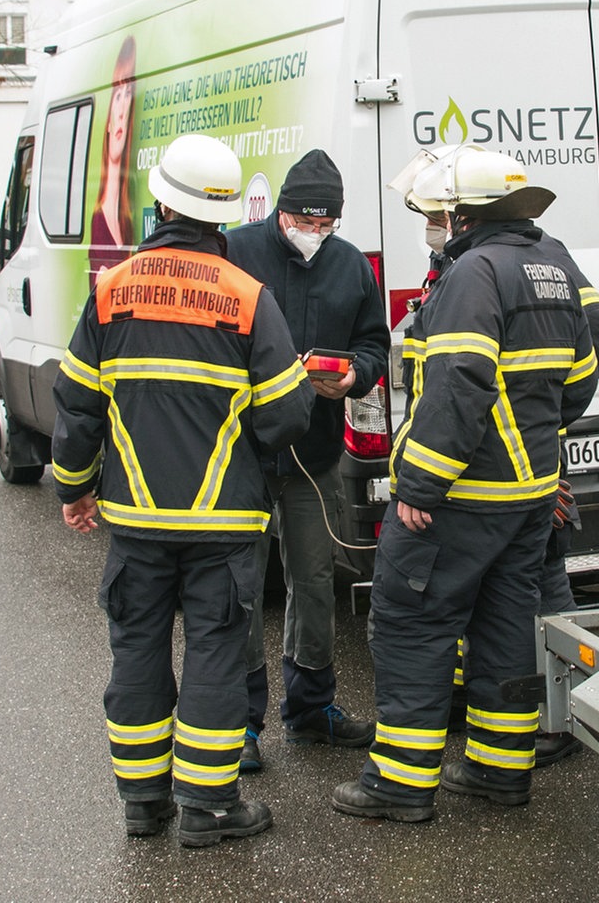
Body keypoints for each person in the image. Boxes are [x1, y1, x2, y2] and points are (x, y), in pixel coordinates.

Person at [331, 144, 599, 823]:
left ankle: (400, 783)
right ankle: (497, 770)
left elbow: (457, 384)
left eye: (437, 212)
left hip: (463, 496)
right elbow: (580, 370)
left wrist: (421, 486)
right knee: (506, 625)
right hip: (528, 495)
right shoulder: (546, 265)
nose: (433, 223)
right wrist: (535, 427)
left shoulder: (473, 274)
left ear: (461, 214)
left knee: (410, 624)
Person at [52, 132, 314, 848]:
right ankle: (209, 808)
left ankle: (144, 804)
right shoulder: (247, 298)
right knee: (216, 655)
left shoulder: (112, 292)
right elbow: (289, 412)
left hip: (134, 519)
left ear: (162, 200)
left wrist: (74, 490)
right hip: (223, 523)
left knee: (135, 651)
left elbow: (76, 407)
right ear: (224, 214)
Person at [222, 149, 389, 760]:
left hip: (312, 454)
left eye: (327, 226)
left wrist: (353, 377)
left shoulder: (350, 267)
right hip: (243, 451)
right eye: (305, 222)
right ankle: (240, 723)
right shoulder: (237, 254)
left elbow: (374, 342)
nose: (315, 235)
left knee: (314, 581)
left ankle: (311, 706)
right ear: (283, 213)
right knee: (237, 587)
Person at [87, 36, 140, 279]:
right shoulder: (99, 222)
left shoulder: (127, 220)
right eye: (117, 96)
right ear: (107, 121)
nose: (122, 111)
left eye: (128, 95)